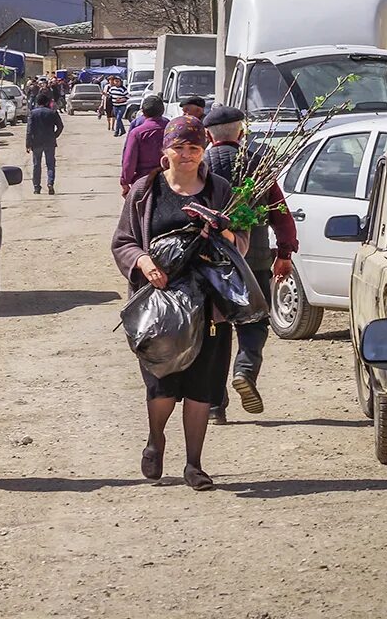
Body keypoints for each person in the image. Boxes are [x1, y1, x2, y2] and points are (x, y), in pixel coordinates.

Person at [111, 116, 248, 492]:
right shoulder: (144, 191)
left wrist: (224, 230)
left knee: (202, 387)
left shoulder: (220, 191)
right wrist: (143, 262)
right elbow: (123, 241)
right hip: (160, 306)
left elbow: (243, 243)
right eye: (179, 148)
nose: (186, 155)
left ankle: (194, 465)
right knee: (163, 385)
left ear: (203, 150)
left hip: (210, 308)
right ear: (164, 152)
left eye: (194, 148)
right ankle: (156, 440)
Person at [201, 106, 298, 423]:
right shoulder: (258, 165)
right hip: (253, 259)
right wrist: (284, 253)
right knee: (254, 320)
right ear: (241, 133)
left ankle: (215, 405)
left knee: (214, 331)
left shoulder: (199, 168)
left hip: (209, 263)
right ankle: (244, 370)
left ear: (207, 136)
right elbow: (281, 215)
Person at [120, 94, 167, 197]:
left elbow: (129, 160)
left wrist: (125, 181)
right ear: (162, 111)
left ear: (143, 112)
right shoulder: (171, 128)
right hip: (169, 179)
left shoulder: (137, 133)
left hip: (143, 181)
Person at [26, 91, 64, 195]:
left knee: (36, 165)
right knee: (50, 164)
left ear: (37, 102)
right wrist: (54, 136)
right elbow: (60, 126)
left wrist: (28, 144)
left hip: (36, 142)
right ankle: (50, 183)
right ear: (47, 102)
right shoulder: (52, 112)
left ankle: (36, 187)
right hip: (50, 142)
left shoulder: (33, 113)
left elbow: (29, 130)